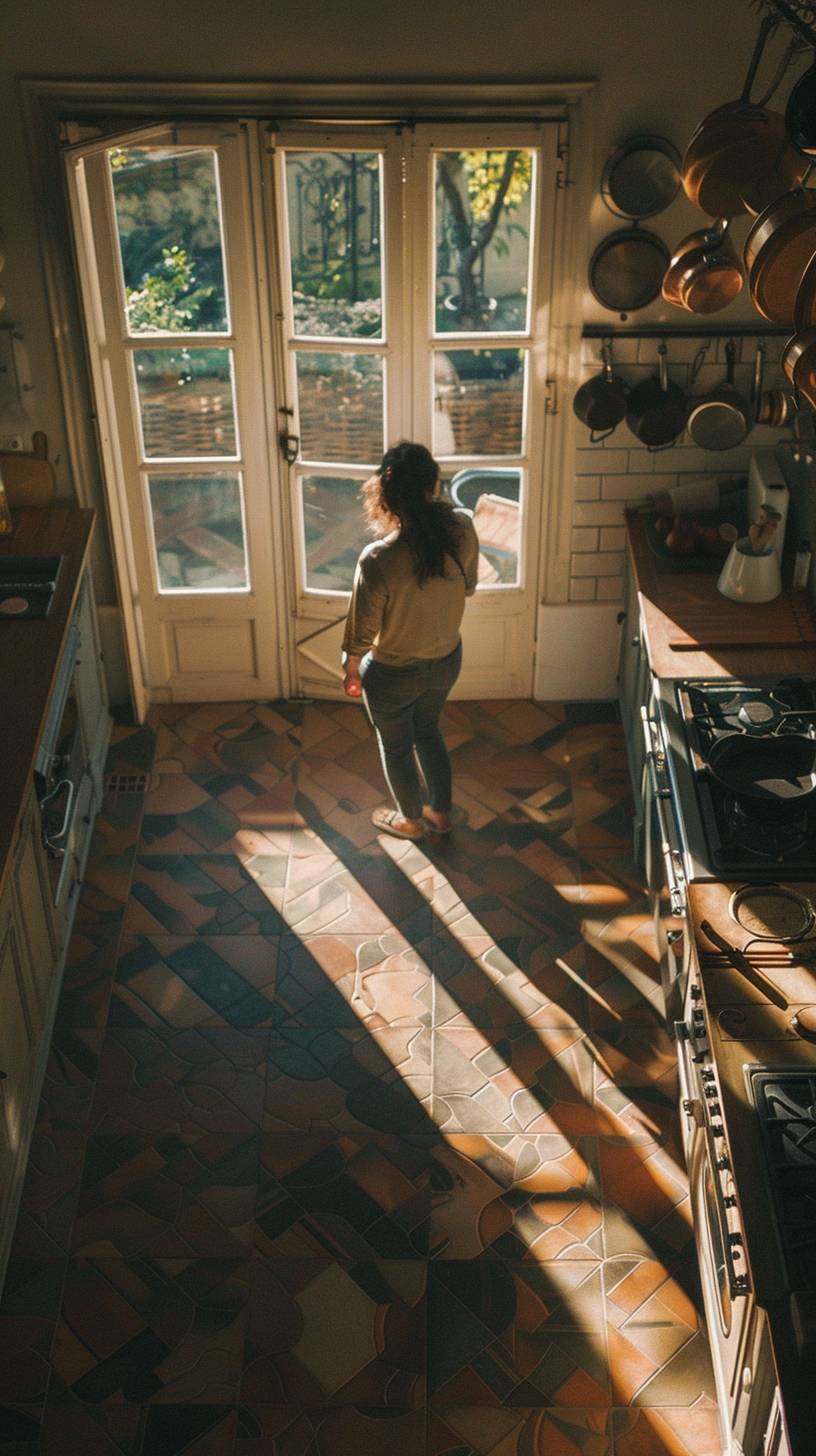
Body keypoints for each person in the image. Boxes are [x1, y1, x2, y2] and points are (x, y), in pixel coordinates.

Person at [341, 441, 479, 840]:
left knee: (397, 745)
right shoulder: (463, 528)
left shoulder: (378, 559)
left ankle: (411, 821)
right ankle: (442, 813)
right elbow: (468, 586)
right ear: (433, 487)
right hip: (446, 660)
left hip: (393, 673)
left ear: (384, 493)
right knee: (428, 730)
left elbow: (361, 635)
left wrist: (351, 671)